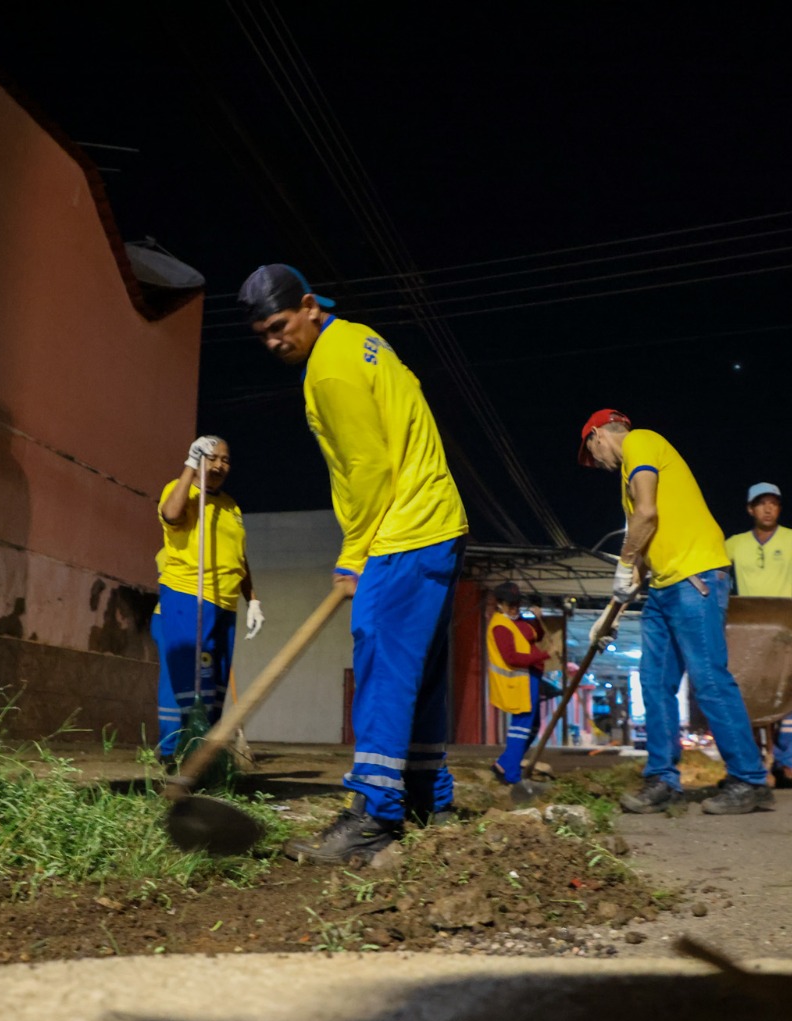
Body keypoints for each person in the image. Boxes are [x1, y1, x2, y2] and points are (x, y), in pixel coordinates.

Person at [240, 264, 467, 864]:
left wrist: (354, 553)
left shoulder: (331, 366)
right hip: (435, 522)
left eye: (281, 326)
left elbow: (367, 468)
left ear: (310, 306)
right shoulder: (358, 338)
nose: (274, 342)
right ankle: (426, 800)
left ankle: (373, 816)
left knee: (384, 668)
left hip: (402, 528)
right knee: (419, 676)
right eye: (263, 333)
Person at [578, 409, 773, 815]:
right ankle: (662, 778)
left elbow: (646, 514)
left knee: (709, 680)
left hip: (694, 578)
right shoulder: (626, 477)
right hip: (664, 587)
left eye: (591, 453)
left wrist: (623, 565)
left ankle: (750, 781)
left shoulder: (640, 442)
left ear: (598, 435)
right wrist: (609, 614)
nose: (595, 463)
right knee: (653, 682)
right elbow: (645, 548)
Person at [152, 435, 261, 762]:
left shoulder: (231, 506)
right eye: (211, 458)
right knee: (191, 681)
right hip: (189, 596)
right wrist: (188, 466)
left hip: (225, 603)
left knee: (212, 684)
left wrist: (252, 599)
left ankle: (198, 754)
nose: (219, 465)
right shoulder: (181, 491)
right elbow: (171, 515)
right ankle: (183, 754)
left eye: (225, 460)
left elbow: (239, 558)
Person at [724, 482, 792, 788]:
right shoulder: (735, 543)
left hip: (788, 631)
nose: (768, 509)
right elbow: (720, 575)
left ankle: (785, 765)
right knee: (747, 696)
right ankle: (752, 763)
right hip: (749, 632)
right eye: (761, 503)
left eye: (774, 503)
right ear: (750, 509)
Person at [486, 581, 550, 784]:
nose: (514, 608)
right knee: (521, 727)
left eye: (517, 604)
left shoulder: (517, 621)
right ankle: (511, 775)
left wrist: (538, 620)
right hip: (519, 681)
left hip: (529, 678)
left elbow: (534, 634)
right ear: (499, 604)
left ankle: (503, 764)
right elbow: (512, 658)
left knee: (532, 726)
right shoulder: (501, 627)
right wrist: (544, 655)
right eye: (510, 605)